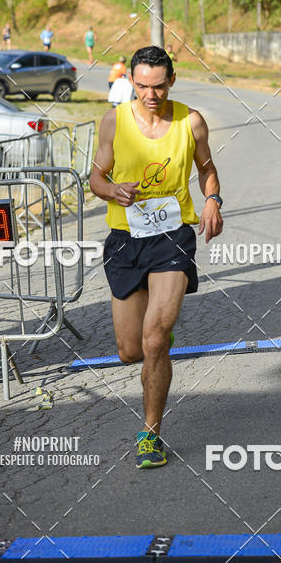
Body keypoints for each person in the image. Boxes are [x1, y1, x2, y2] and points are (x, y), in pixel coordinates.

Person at [89, 45, 223, 469]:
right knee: (131, 350)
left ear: (171, 81)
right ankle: (157, 344)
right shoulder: (114, 120)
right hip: (126, 242)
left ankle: (151, 434)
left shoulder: (190, 120)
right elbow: (96, 176)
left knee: (153, 341)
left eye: (159, 86)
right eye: (142, 85)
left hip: (173, 239)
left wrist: (213, 199)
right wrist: (113, 190)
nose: (151, 94)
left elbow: (206, 167)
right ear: (131, 81)